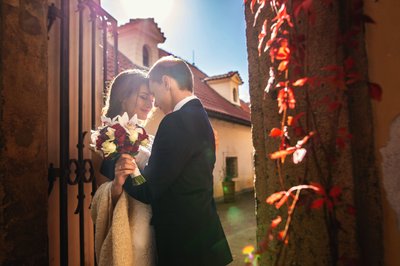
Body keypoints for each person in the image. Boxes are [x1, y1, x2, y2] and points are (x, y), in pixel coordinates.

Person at [103, 56, 233, 266]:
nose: (155, 103)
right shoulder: (200, 117)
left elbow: (149, 191)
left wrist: (117, 168)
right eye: (146, 96)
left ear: (166, 82)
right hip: (202, 242)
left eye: (154, 94)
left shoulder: (176, 121)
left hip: (184, 248)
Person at [91, 69, 156, 266]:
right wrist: (118, 183)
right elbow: (100, 197)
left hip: (155, 227)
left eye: (152, 97)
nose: (150, 103)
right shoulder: (101, 142)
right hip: (128, 231)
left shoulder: (151, 140)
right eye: (144, 96)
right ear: (123, 97)